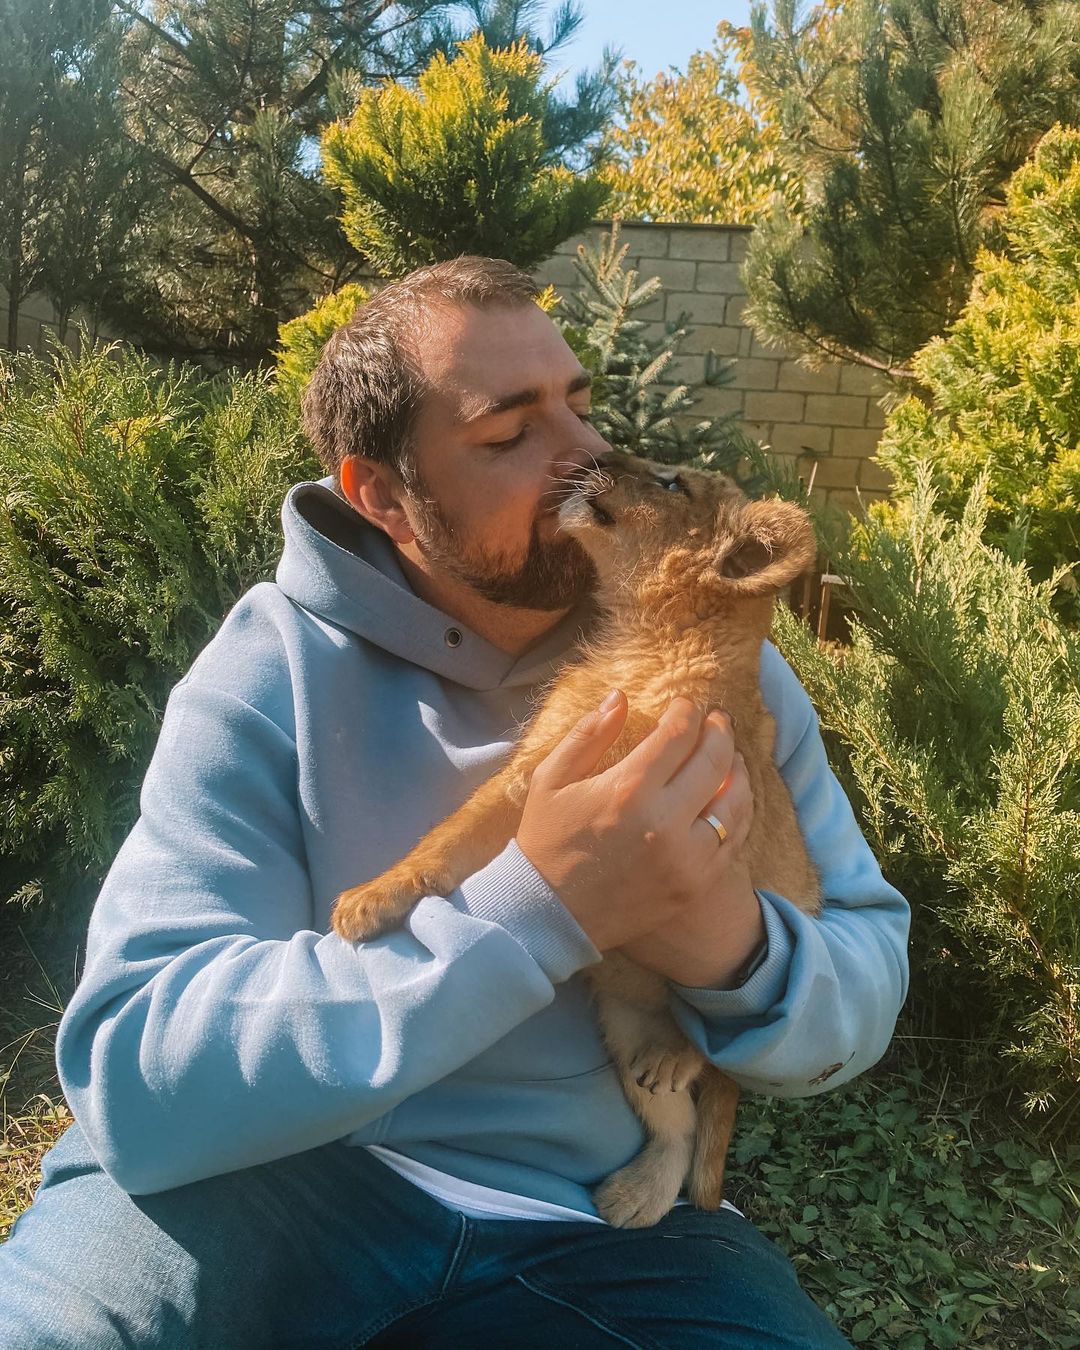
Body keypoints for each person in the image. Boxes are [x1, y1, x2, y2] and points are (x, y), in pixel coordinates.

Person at [0, 256, 909, 1348]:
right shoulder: (271, 665)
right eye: (509, 432)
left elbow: (864, 972)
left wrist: (730, 950)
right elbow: (135, 1072)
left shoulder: (726, 672)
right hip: (259, 1180)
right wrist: (533, 909)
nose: (587, 452)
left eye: (578, 403)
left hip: (588, 1223)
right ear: (382, 495)